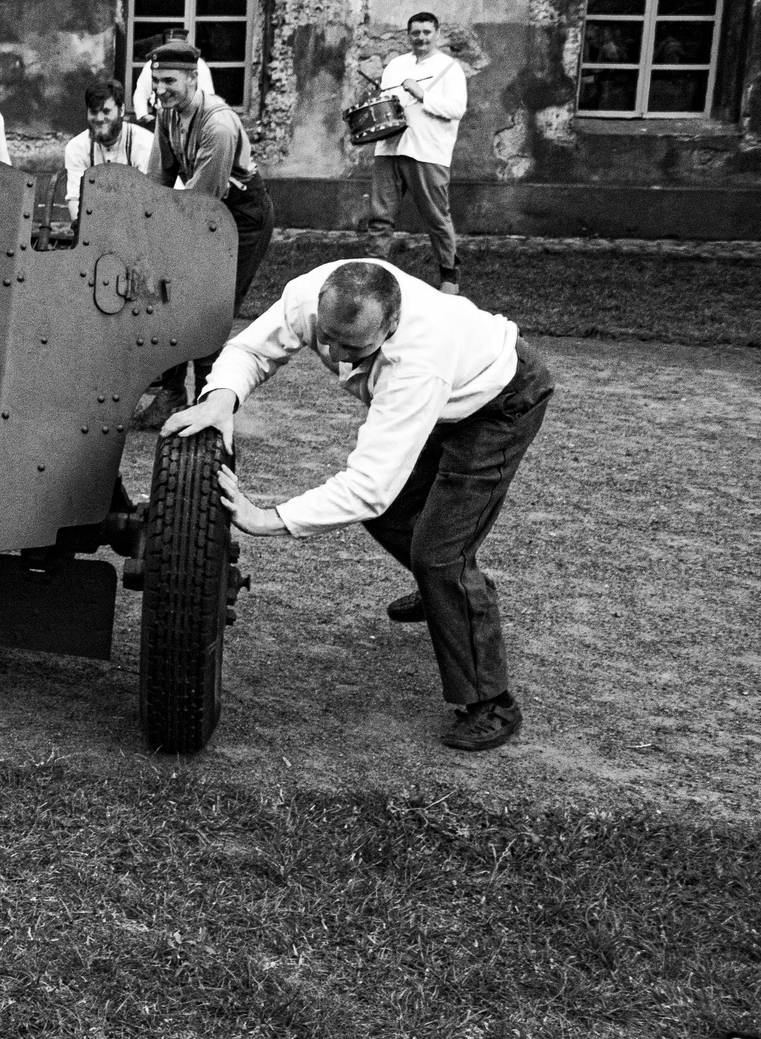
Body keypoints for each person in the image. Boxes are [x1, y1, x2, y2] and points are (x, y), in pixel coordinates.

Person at [164, 259, 553, 752]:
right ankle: (445, 594)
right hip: (448, 394)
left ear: (390, 326)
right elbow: (250, 350)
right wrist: (222, 397)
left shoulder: (419, 359)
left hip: (500, 402)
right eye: (326, 338)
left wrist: (270, 518)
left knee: (441, 554)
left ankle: (491, 702)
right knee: (395, 521)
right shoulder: (312, 295)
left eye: (354, 347)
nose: (334, 354)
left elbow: (370, 485)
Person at [147, 38, 273, 411]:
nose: (160, 89)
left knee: (210, 310)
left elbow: (204, 201)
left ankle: (208, 404)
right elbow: (158, 179)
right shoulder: (167, 113)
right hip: (203, 212)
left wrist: (168, 239)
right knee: (168, 296)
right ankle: (170, 396)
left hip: (242, 218)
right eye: (156, 81)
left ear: (192, 79)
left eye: (169, 81)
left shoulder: (217, 124)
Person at [367, 11, 467, 296]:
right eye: (415, 33)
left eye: (426, 32)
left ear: (437, 33)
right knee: (380, 215)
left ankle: (449, 274)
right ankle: (375, 269)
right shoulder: (396, 65)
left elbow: (457, 109)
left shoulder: (450, 68)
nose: (420, 38)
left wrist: (423, 94)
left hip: (428, 151)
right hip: (388, 148)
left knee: (436, 217)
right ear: (408, 35)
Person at [61, 80, 159, 220]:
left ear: (122, 110)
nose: (100, 118)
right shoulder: (77, 148)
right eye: (94, 112)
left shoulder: (145, 144)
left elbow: (150, 203)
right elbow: (76, 200)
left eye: (106, 111)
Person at [129, 26, 213, 127]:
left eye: (169, 80)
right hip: (160, 119)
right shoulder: (152, 65)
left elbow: (208, 97)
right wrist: (143, 116)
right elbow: (141, 92)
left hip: (191, 121)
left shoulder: (199, 65)